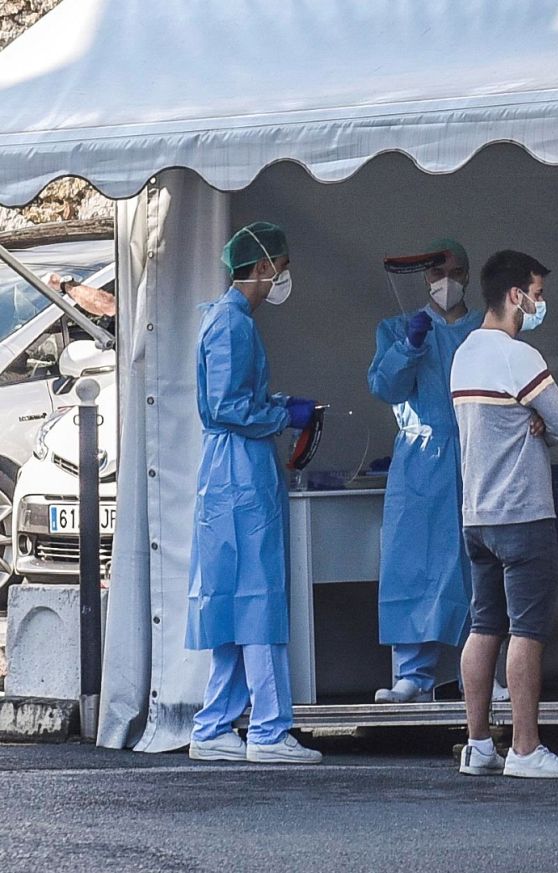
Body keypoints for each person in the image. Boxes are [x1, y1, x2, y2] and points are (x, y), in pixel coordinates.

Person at [449, 249, 558, 779]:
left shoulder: (462, 355)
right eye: (538, 292)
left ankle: (479, 745)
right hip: (523, 515)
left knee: (483, 626)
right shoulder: (520, 356)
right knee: (527, 631)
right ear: (516, 296)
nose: (540, 302)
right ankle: (526, 750)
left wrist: (532, 418)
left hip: (476, 515)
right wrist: (538, 419)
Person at [186, 221, 322, 765]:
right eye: (281, 268)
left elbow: (232, 397)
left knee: (231, 603)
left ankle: (215, 723)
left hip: (229, 472)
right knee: (258, 598)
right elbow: (227, 406)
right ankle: (268, 729)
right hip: (239, 472)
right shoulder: (232, 323)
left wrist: (275, 403)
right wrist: (278, 414)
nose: (282, 279)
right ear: (264, 267)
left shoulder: (224, 319)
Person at [368, 238, 485, 703]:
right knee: (411, 562)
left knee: (479, 564)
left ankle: (482, 671)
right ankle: (412, 675)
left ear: (469, 276)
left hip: (476, 454)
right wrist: (409, 347)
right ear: (422, 277)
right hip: (420, 460)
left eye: (453, 272)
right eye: (436, 273)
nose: (444, 282)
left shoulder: (484, 331)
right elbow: (385, 387)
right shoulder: (399, 329)